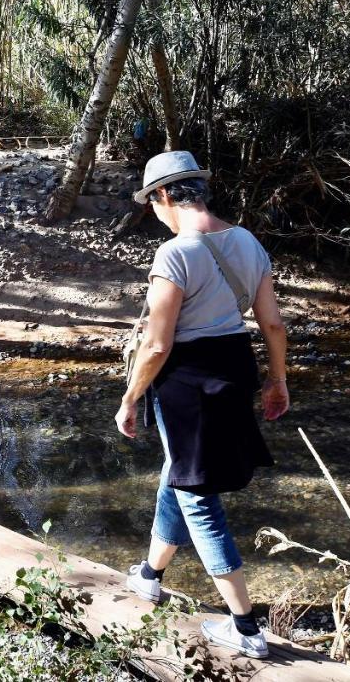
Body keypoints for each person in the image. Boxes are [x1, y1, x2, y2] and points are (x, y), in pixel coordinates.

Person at [116, 150, 290, 660]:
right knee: (181, 471)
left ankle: (246, 627)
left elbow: (156, 344)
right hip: (235, 366)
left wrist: (130, 398)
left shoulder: (175, 254)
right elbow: (273, 324)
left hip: (187, 381)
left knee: (197, 494)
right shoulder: (248, 241)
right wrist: (276, 380)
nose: (154, 213)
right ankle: (150, 575)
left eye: (152, 204)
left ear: (165, 195)